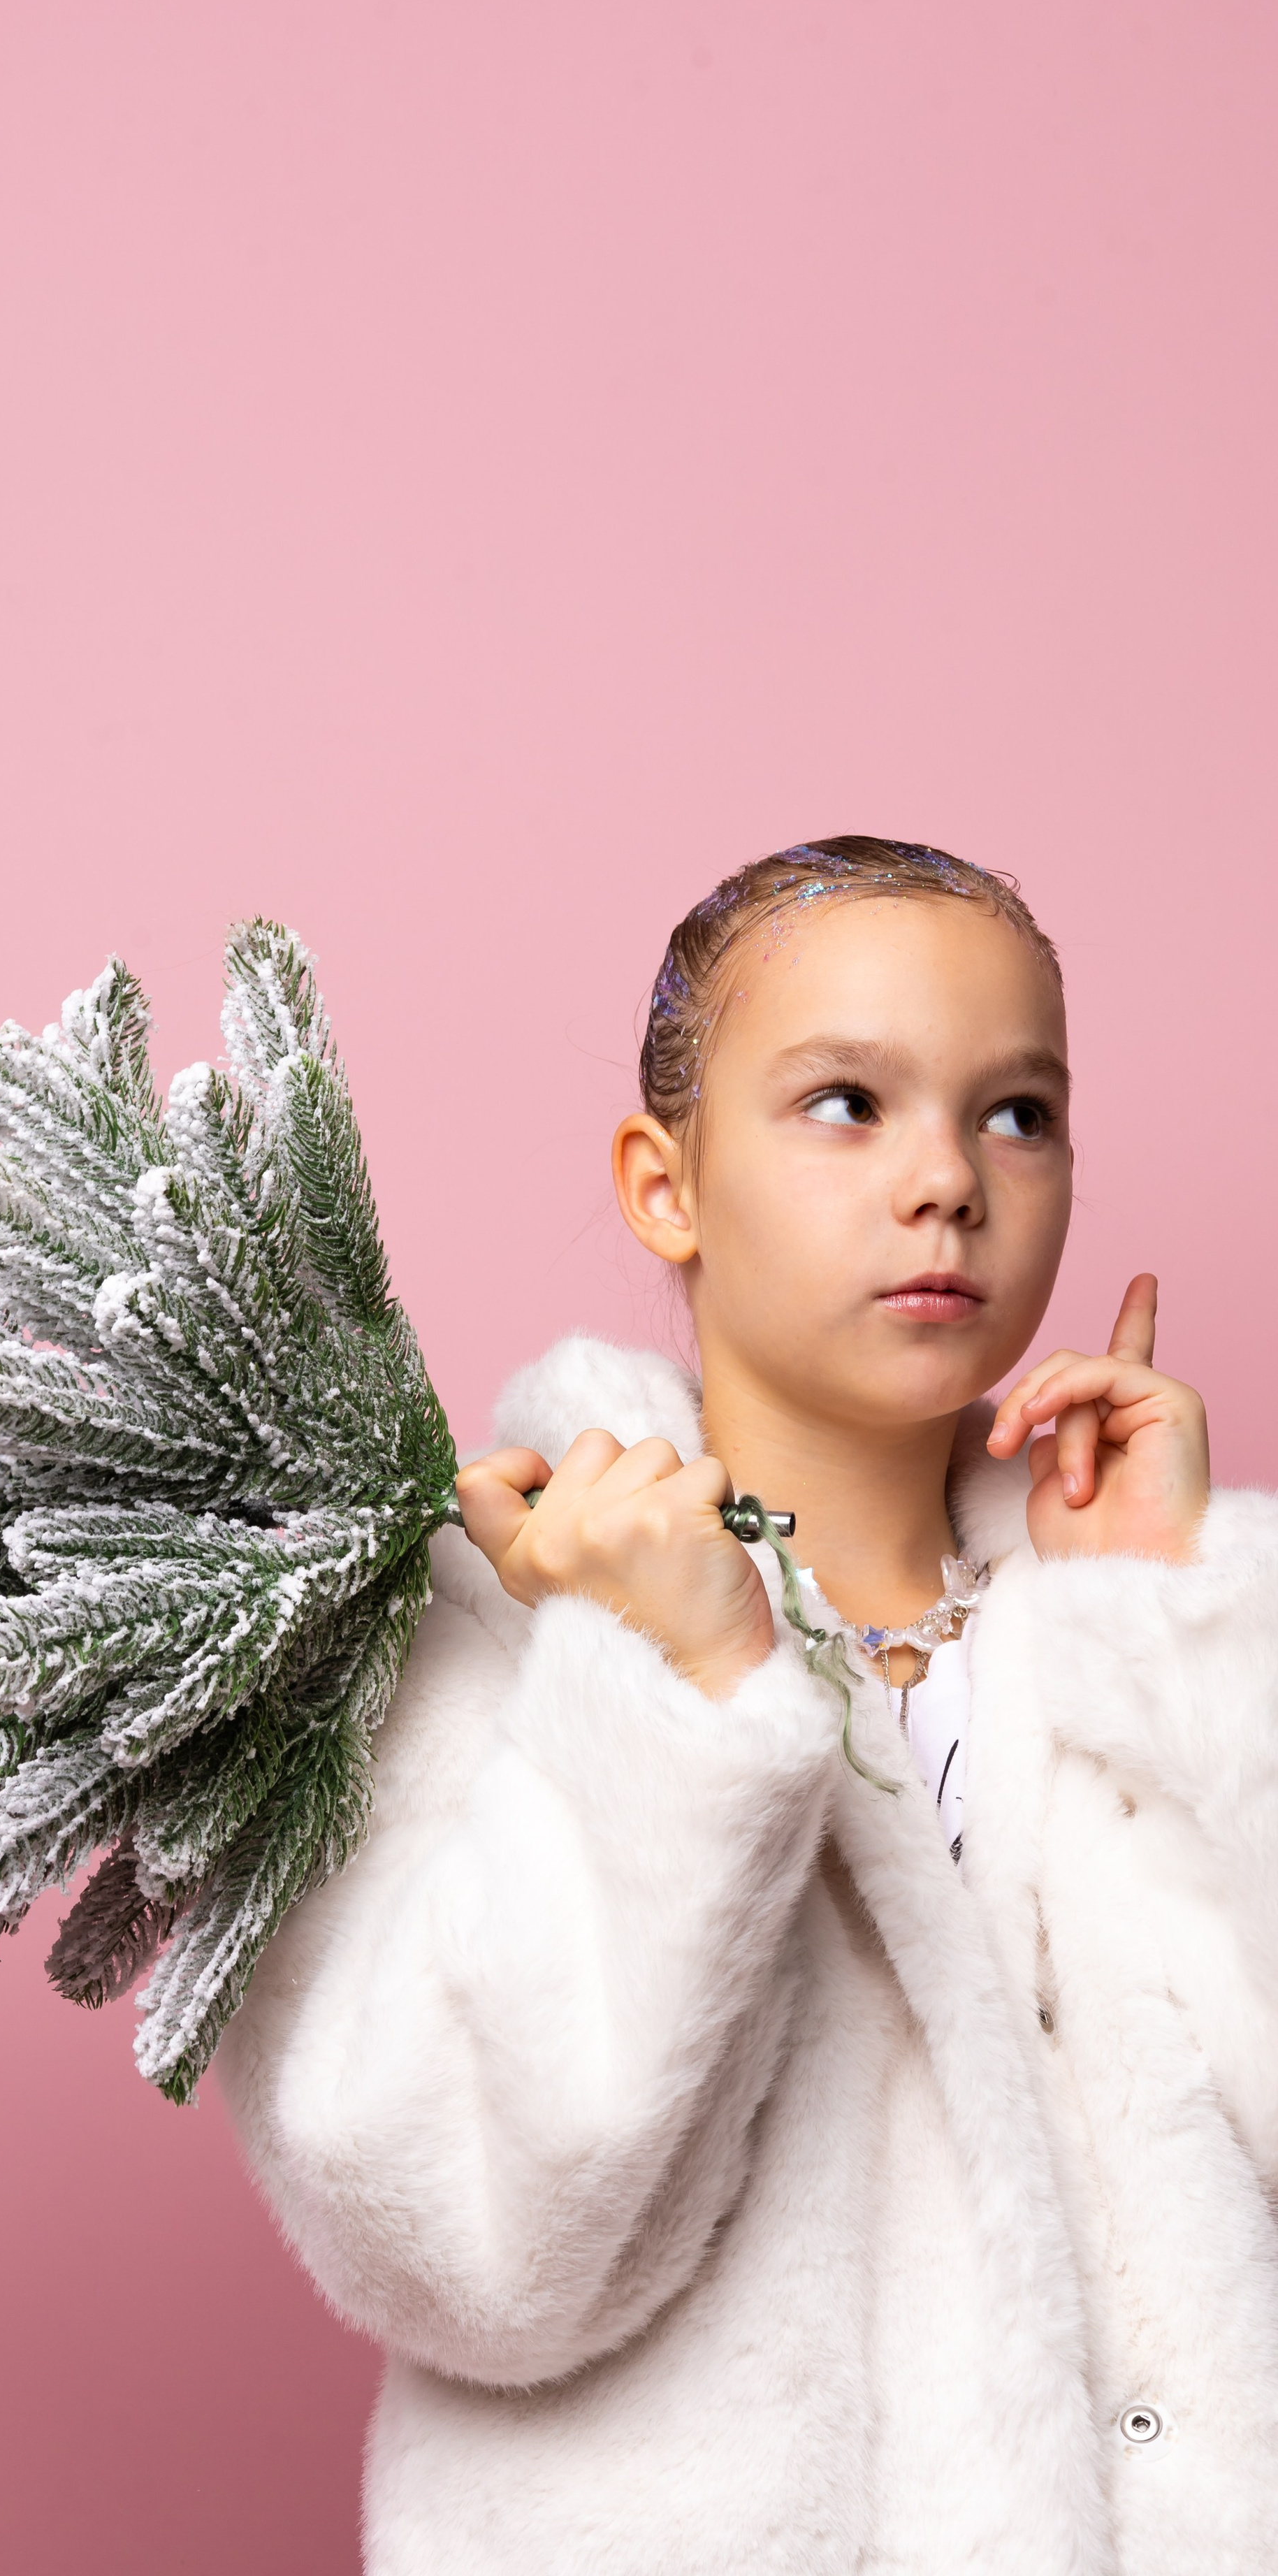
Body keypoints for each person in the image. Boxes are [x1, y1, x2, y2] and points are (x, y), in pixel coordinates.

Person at [215, 837, 1278, 2575]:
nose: (946, 1180)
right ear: (663, 1184)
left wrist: (1163, 1626)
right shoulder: (476, 1624)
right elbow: (467, 2253)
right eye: (845, 1102)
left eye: (1016, 1112)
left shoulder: (1145, 1608)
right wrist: (680, 1693)